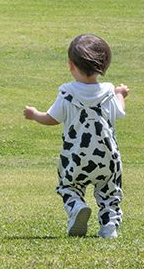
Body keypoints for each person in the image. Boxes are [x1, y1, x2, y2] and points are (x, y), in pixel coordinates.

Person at [24, 34, 129, 238]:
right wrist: (120, 94)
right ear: (104, 65)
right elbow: (120, 111)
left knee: (69, 186)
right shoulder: (108, 92)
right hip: (107, 159)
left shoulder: (67, 93)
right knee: (109, 192)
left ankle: (77, 207)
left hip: (76, 157)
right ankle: (109, 226)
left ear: (71, 65)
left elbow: (52, 118)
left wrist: (34, 114)